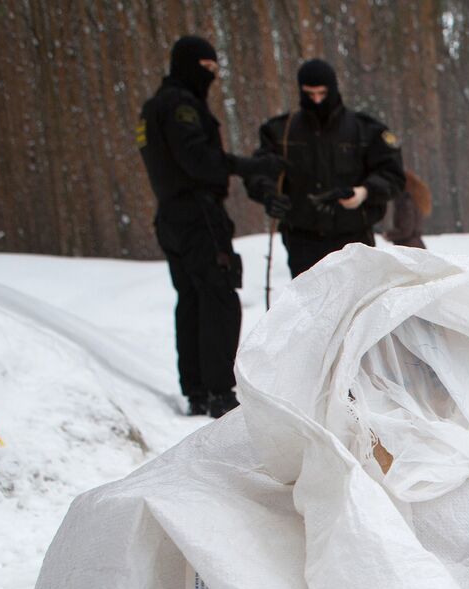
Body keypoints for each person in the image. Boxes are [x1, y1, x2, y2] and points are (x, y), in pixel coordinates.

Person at [138, 35, 287, 418]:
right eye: (206, 68)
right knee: (217, 297)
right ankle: (218, 392)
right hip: (197, 214)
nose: (212, 76)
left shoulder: (154, 108)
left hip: (172, 215)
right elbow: (198, 161)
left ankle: (198, 389)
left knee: (192, 299)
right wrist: (248, 167)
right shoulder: (180, 106)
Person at [245, 59, 406, 277]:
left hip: (354, 239)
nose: (317, 100)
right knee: (312, 299)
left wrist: (364, 192)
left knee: (358, 297)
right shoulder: (281, 132)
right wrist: (268, 194)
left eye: (322, 93)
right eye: (310, 94)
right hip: (302, 240)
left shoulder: (365, 130)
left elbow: (393, 175)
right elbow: (257, 172)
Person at [385, 170, 432, 249]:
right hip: (415, 246)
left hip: (408, 247)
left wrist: (389, 235)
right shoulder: (415, 200)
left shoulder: (406, 202)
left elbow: (406, 230)